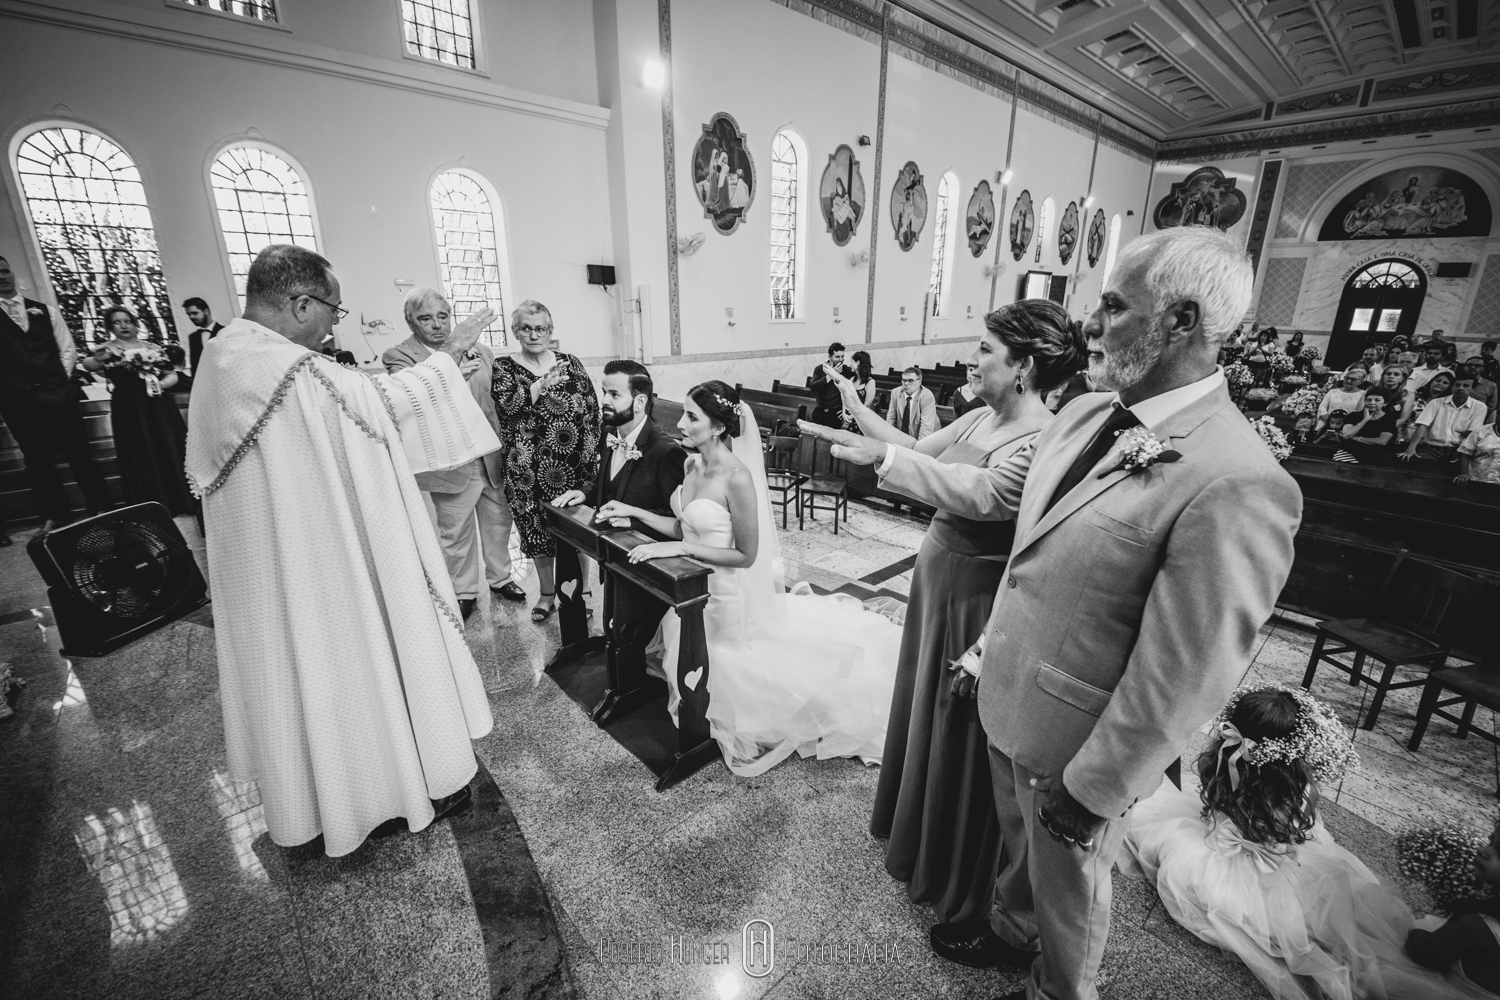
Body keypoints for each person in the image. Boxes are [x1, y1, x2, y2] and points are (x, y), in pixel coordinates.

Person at [801, 225, 1301, 1000]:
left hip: (1081, 741)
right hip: (1009, 692)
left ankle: (1058, 987)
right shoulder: (1081, 416)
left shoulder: (1239, 478)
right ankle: (1010, 934)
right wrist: (982, 651)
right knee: (1016, 851)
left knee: (1073, 891)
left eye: (1112, 305)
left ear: (1181, 321)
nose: (1091, 326)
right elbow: (1029, 557)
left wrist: (1098, 786)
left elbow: (1188, 669)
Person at [185, 244, 498, 857]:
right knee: (354, 667)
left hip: (279, 564)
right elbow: (375, 407)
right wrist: (447, 353)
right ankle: (378, 796)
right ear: (301, 302)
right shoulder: (289, 371)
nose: (336, 322)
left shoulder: (226, 357)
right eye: (333, 308)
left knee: (296, 673)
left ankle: (317, 802)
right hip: (327, 570)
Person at [839, 300, 1083, 924]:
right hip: (937, 579)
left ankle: (953, 862)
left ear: (1024, 365)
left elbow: (984, 495)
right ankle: (913, 825)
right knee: (923, 699)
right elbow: (919, 450)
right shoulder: (979, 417)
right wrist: (856, 411)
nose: (972, 361)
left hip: (977, 595)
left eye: (984, 350)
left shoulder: (1043, 438)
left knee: (957, 719)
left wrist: (884, 463)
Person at [606, 381, 904, 775]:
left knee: (729, 676)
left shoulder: (737, 477)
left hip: (725, 598)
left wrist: (682, 550)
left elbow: (746, 555)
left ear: (717, 427)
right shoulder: (691, 464)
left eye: (691, 417)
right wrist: (633, 512)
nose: (679, 423)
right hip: (693, 592)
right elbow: (684, 528)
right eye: (682, 413)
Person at [1126, 686, 1477, 1000]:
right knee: (1315, 918)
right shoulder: (1297, 790)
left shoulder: (1220, 761)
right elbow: (1289, 833)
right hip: (1270, 856)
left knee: (1171, 847)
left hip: (1226, 845)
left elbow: (1216, 803)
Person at [552, 359, 686, 687]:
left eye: (614, 394)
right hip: (616, 557)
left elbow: (680, 521)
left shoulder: (666, 452)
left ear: (640, 401)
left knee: (627, 631)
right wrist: (584, 494)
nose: (605, 402)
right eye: (604, 393)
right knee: (613, 624)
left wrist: (633, 519)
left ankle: (630, 681)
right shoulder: (610, 434)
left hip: (651, 568)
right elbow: (606, 483)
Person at [382, 288, 505, 621]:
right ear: (410, 322)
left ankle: (501, 577)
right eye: (425, 318)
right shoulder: (401, 356)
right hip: (450, 460)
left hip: (488, 453)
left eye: (442, 316)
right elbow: (409, 401)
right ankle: (464, 590)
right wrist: (454, 376)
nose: (437, 325)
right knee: (456, 529)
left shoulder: (480, 350)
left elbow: (492, 400)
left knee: (498, 522)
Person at [491, 300, 600, 622]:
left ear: (550, 331)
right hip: (527, 468)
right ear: (515, 331)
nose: (533, 334)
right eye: (526, 328)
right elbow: (507, 408)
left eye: (540, 328)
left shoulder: (570, 362)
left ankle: (582, 592)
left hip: (571, 466)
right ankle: (549, 593)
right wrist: (539, 386)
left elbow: (590, 410)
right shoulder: (503, 367)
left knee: (577, 534)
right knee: (537, 532)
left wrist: (592, 460)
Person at [0, 255, 111, 531]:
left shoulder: (45, 311)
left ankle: (99, 506)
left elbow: (67, 349)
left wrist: (57, 382)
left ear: (11, 273)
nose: (1, 277)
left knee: (79, 453)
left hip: (58, 394)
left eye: (4, 271)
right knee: (37, 459)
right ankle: (55, 515)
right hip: (17, 400)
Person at [80, 306, 196, 517]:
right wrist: (97, 358)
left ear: (135, 324)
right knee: (140, 450)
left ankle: (182, 499)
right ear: (110, 326)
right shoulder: (106, 350)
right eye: (117, 322)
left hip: (158, 406)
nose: (124, 325)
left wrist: (159, 385)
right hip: (129, 409)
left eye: (128, 321)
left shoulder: (152, 347)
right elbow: (88, 366)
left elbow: (172, 375)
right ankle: (152, 502)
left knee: (167, 446)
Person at [1408, 822, 1500, 994]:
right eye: (1490, 842)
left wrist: (1415, 932)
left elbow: (1424, 954)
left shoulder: (1476, 925)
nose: (1483, 851)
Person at [1402, 374, 1485, 463]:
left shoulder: (1479, 407)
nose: (1461, 388)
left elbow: (1470, 434)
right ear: (1452, 387)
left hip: (1458, 450)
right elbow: (1423, 426)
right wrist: (1411, 447)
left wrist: (1460, 454)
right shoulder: (1435, 403)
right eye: (1457, 385)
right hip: (1431, 449)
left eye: (1466, 386)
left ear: (1473, 389)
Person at [1337, 390, 1399, 463]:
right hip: (1349, 453)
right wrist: (1365, 420)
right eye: (1369, 400)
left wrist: (1354, 438)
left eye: (1377, 400)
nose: (1372, 403)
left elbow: (1382, 441)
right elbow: (1346, 434)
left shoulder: (1389, 419)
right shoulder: (1354, 416)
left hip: (1376, 456)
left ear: (1385, 403)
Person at [884, 366, 940, 441]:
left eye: (910, 380)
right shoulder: (896, 393)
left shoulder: (927, 397)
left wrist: (917, 450)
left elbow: (926, 429)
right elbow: (891, 419)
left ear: (919, 382)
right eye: (904, 380)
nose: (906, 384)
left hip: (927, 439)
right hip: (904, 438)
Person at [809, 342, 855, 427]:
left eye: (842, 356)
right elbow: (813, 387)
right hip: (820, 412)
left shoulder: (846, 370)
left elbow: (861, 381)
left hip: (836, 413)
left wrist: (846, 411)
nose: (841, 359)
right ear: (830, 357)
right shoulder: (820, 369)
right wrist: (831, 374)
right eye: (837, 357)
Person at [1314, 367, 1367, 437]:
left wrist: (1344, 424)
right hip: (1328, 425)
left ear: (1361, 381)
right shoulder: (1333, 392)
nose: (1348, 381)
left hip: (1348, 428)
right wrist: (1331, 421)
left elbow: (1360, 412)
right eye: (1347, 378)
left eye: (1353, 379)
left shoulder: (1363, 394)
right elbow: (1322, 408)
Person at [183, 297, 224, 374]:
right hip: (205, 382)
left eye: (194, 313)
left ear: (206, 311)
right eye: (189, 314)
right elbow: (195, 366)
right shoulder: (193, 337)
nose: (191, 317)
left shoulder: (224, 331)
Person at [1457, 420, 1500, 485]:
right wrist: (1464, 473)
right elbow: (1465, 452)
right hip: (1476, 480)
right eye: (1498, 414)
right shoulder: (1481, 431)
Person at [1460, 356, 1497, 424]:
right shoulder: (1456, 382)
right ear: (1464, 367)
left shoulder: (1490, 385)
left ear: (1483, 369)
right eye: (1470, 365)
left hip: (1477, 420)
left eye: (1477, 366)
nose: (1473, 367)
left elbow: (1491, 407)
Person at [848, 350, 878, 422]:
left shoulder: (870, 382)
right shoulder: (852, 380)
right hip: (848, 416)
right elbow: (845, 398)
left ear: (858, 362)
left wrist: (853, 416)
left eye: (852, 362)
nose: (850, 365)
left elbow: (867, 405)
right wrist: (844, 413)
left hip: (861, 419)